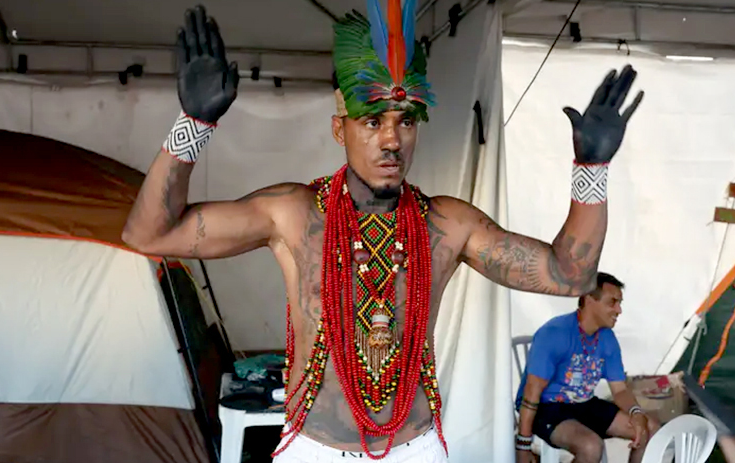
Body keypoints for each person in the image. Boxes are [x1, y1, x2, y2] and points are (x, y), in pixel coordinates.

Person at [122, 2, 644, 461]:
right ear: (340, 127)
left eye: (406, 121)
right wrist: (194, 124)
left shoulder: (447, 225)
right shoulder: (293, 214)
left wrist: (591, 169)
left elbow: (569, 275)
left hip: (414, 450)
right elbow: (150, 235)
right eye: (373, 121)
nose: (392, 140)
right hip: (313, 452)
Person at [514, 273, 661, 463]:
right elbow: (532, 393)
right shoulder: (554, 333)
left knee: (650, 428)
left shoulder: (607, 338)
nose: (619, 310)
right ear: (590, 299)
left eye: (620, 303)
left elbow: (620, 390)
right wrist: (523, 446)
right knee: (590, 446)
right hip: (546, 406)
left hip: (583, 403)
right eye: (613, 302)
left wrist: (636, 413)